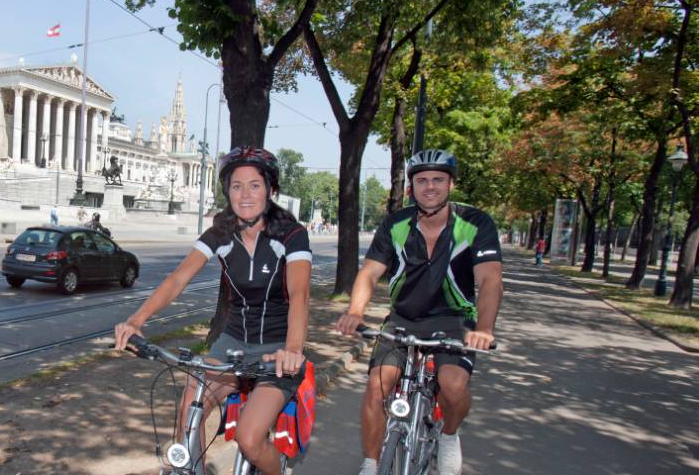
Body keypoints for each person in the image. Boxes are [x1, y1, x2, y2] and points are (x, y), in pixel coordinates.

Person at [115, 146, 312, 475]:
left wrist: (293, 348)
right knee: (188, 414)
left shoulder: (291, 235)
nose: (245, 194)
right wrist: (136, 321)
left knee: (250, 439)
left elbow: (300, 294)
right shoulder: (221, 233)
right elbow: (178, 278)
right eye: (236, 186)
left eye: (255, 185)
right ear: (227, 191)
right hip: (232, 341)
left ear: (271, 190)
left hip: (277, 348)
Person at [336, 149, 503, 475]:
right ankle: (372, 464)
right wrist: (355, 311)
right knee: (377, 385)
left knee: (452, 386)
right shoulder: (396, 223)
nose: (430, 186)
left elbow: (490, 279)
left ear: (451, 184)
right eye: (422, 180)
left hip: (454, 320)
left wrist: (484, 328)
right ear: (411, 186)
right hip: (403, 319)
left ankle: (449, 435)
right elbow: (370, 273)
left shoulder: (476, 223)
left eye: (438, 179)